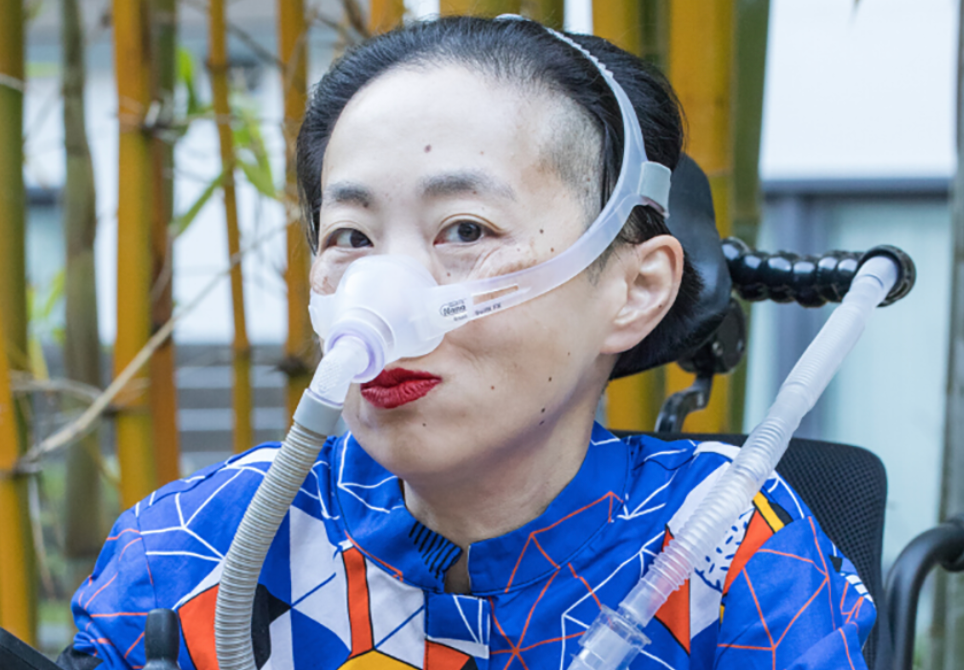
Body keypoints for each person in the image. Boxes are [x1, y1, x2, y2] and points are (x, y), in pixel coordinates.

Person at [58, 16, 875, 670]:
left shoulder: (728, 550)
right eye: (351, 237)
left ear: (635, 289)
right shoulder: (194, 547)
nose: (383, 295)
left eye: (465, 230)